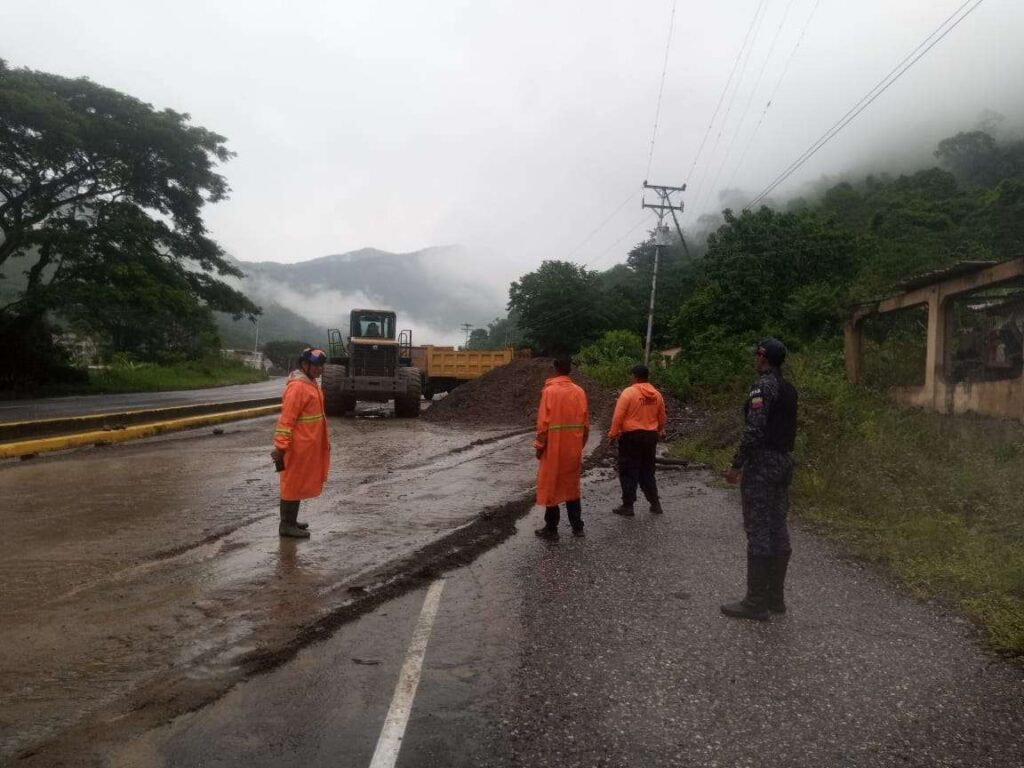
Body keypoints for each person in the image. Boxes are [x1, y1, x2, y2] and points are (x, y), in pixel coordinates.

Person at [721, 337, 798, 620]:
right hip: (784, 462)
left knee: (758, 528)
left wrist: (736, 465)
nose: (754, 359)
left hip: (763, 464)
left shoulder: (762, 386)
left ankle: (755, 602)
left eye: (756, 355)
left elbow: (754, 431)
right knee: (778, 525)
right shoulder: (789, 388)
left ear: (763, 357)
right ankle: (775, 598)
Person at [271, 347, 331, 538]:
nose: (319, 370)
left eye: (321, 366)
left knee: (297, 483)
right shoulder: (298, 387)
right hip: (296, 446)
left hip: (306, 446)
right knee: (291, 483)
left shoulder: (310, 383)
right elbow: (286, 420)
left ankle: (291, 521)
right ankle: (286, 525)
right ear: (305, 365)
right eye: (316, 366)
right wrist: (281, 447)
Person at [533, 358, 590, 539]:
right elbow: (586, 424)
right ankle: (577, 527)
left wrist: (539, 446)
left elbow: (543, 425)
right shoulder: (580, 392)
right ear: (570, 370)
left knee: (552, 487)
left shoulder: (549, 392)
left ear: (555, 369)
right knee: (571, 487)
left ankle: (551, 529)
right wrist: (579, 445)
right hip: (573, 448)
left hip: (553, 447)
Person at [608, 363, 667, 516]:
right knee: (647, 471)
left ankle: (628, 506)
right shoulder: (656, 394)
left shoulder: (629, 393)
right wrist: (660, 430)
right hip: (650, 437)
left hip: (631, 437)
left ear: (634, 376)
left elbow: (618, 416)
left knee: (628, 470)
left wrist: (613, 434)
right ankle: (655, 504)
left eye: (631, 376)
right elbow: (662, 417)